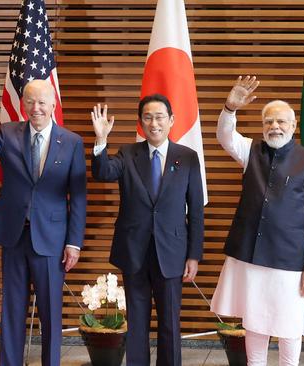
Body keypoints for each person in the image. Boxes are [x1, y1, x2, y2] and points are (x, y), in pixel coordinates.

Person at [0, 79, 86, 366]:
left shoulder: (72, 142)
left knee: (51, 313)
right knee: (13, 310)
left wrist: (74, 243)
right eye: (30, 101)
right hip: (14, 235)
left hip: (52, 238)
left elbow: (78, 197)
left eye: (42, 102)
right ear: (22, 104)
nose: (36, 107)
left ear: (53, 104)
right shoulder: (8, 133)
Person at [210, 76, 304, 366]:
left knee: (289, 331)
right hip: (252, 260)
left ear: (293, 126)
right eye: (268, 122)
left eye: (281, 122)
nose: (274, 127)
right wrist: (230, 108)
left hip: (290, 263)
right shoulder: (251, 151)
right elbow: (225, 137)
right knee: (255, 328)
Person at [91, 94, 204, 366]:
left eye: (160, 117)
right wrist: (100, 141)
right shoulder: (127, 154)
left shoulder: (187, 157)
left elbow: (196, 209)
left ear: (171, 120)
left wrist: (194, 255)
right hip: (134, 252)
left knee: (170, 324)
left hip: (172, 252)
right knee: (137, 323)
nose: (154, 123)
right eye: (148, 117)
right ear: (141, 122)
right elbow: (102, 173)